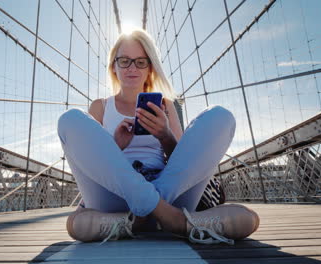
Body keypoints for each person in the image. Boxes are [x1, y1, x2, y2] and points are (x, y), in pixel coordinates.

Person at [57, 29, 259, 245]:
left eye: (140, 62)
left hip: (168, 190)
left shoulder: (166, 106)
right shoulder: (101, 106)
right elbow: (93, 162)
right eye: (124, 61)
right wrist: (115, 146)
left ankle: (138, 218)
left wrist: (165, 135)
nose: (132, 68)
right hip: (117, 192)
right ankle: (172, 220)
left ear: (150, 68)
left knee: (220, 116)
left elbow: (184, 163)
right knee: (70, 120)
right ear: (113, 67)